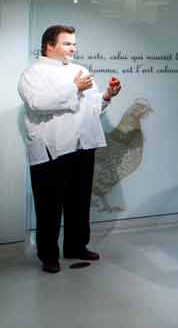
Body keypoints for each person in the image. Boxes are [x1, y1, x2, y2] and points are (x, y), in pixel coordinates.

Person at [18, 25, 122, 273]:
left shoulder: (80, 70)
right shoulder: (32, 73)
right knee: (48, 206)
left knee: (79, 201)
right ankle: (48, 256)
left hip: (82, 147)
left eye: (74, 43)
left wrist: (107, 95)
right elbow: (38, 103)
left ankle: (76, 246)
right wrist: (74, 87)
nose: (73, 48)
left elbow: (92, 107)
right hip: (51, 150)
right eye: (67, 43)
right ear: (49, 45)